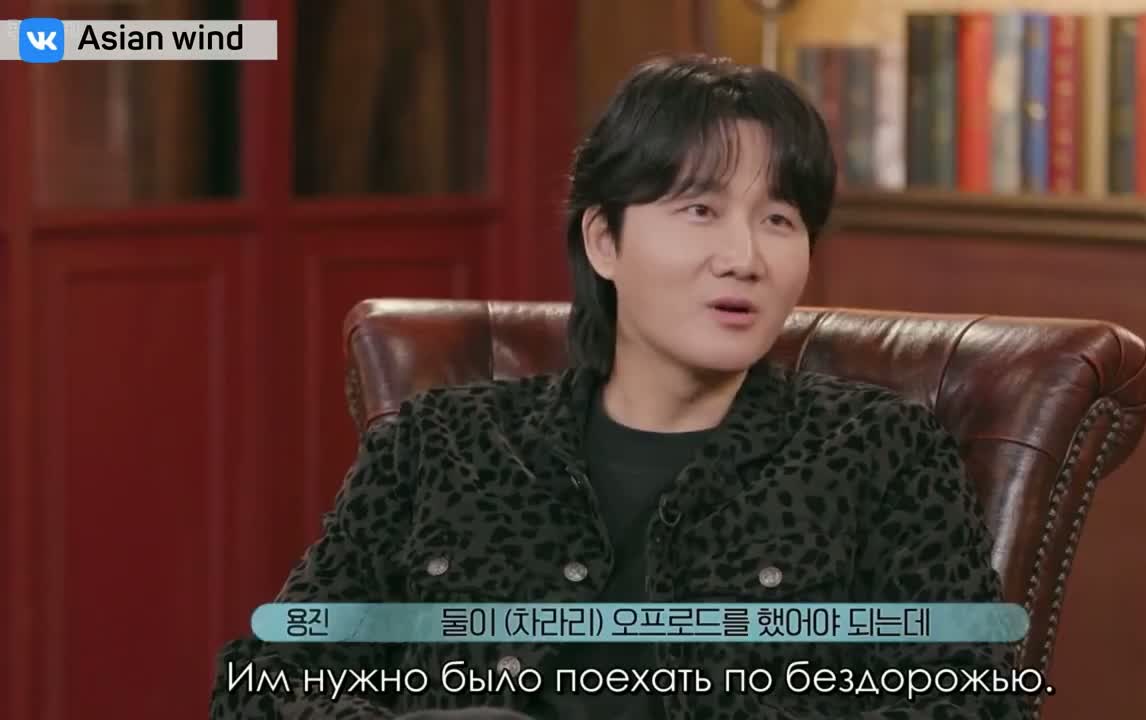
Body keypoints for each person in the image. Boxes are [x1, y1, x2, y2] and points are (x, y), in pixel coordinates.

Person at [209, 54, 1031, 720]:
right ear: (604, 240)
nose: (745, 257)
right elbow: (264, 680)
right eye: (700, 210)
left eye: (779, 219)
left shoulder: (878, 453)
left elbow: (978, 699)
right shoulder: (441, 445)